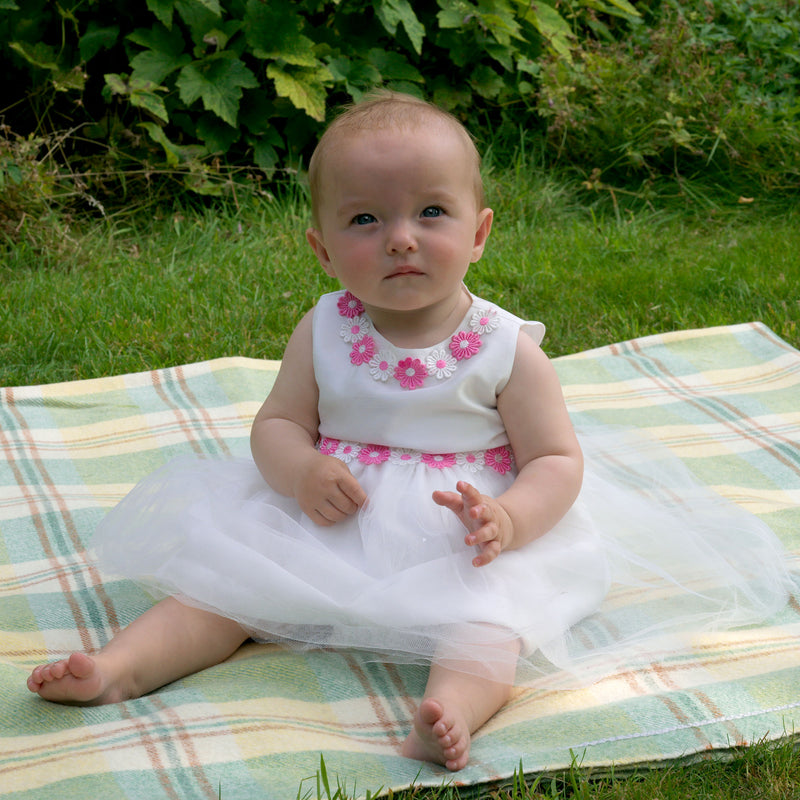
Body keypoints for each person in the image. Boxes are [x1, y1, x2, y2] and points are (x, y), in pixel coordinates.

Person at [27, 91, 792, 772]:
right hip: (331, 514)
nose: (401, 237)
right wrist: (297, 471)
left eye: (431, 212)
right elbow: (280, 422)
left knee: (488, 626)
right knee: (222, 590)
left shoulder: (505, 347)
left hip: (463, 530)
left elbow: (557, 458)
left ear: (480, 231)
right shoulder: (323, 328)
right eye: (366, 219)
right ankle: (120, 668)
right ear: (322, 249)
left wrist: (511, 519)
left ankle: (451, 713)